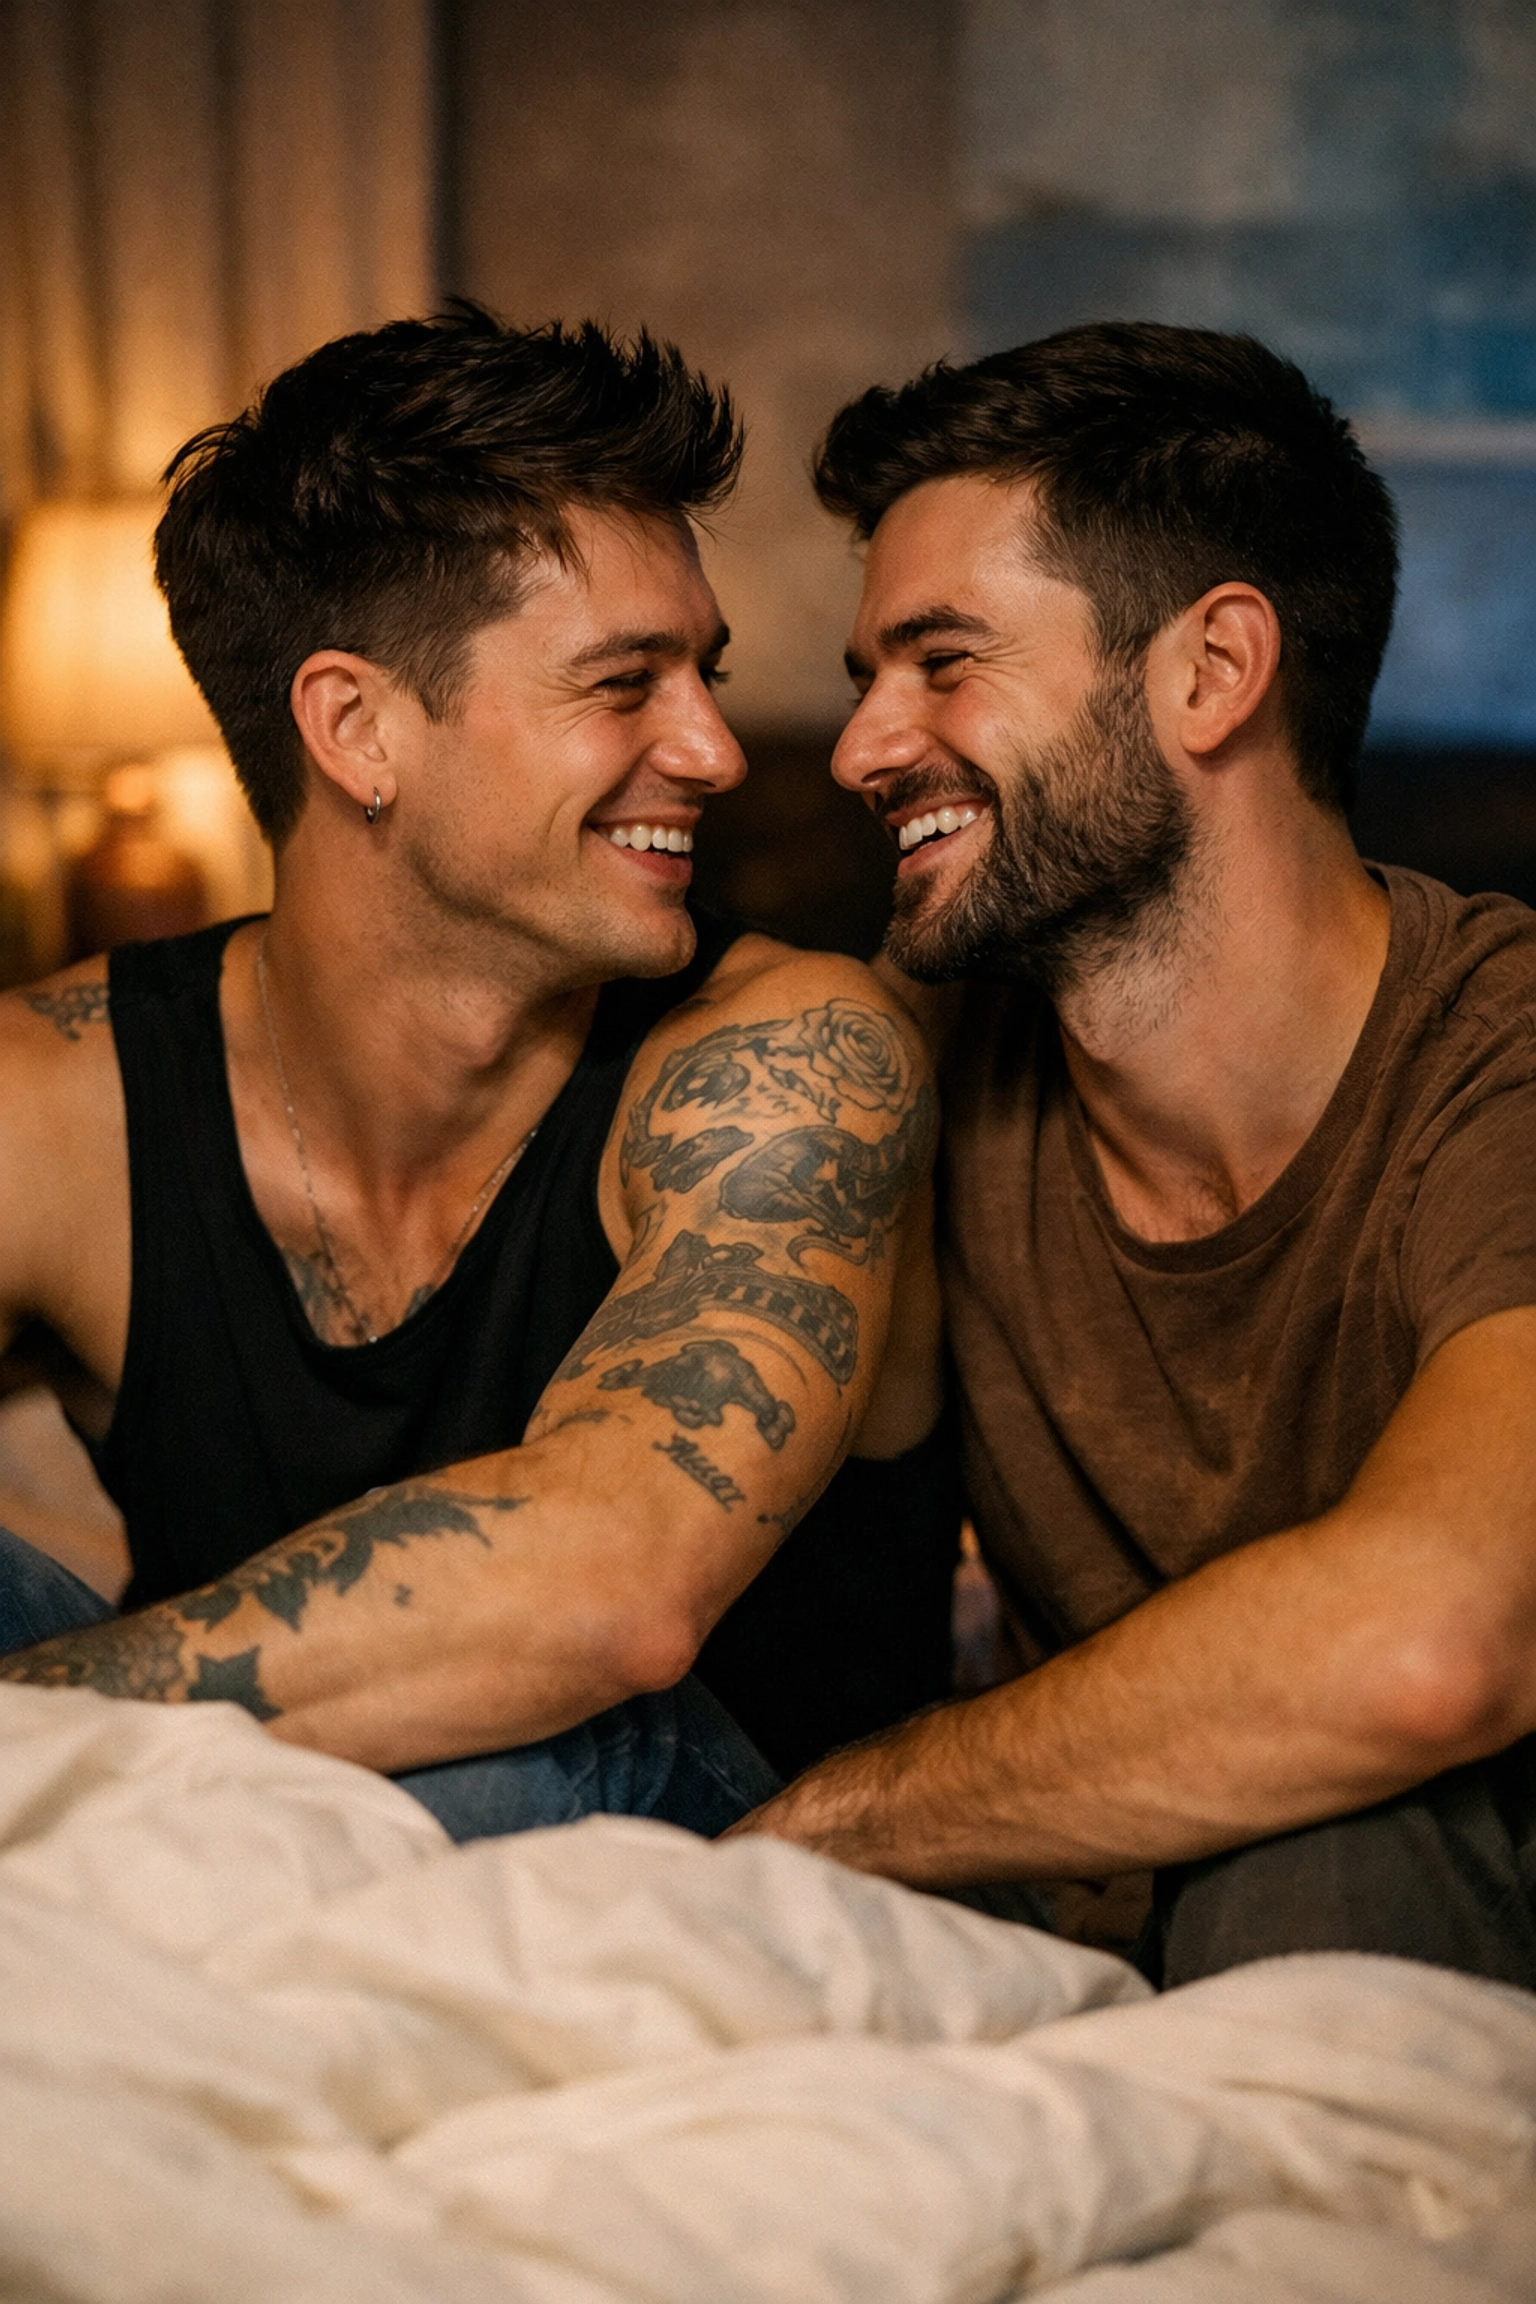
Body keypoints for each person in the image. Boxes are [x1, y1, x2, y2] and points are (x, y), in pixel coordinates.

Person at [0, 307, 958, 1836]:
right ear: (356, 727)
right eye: (625, 683)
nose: (716, 751)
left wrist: (34, 1729)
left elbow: (612, 1595)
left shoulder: (795, 1053)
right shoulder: (53, 1093)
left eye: (702, 674)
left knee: (517, 1726)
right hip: (235, 1837)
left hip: (709, 1844)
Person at [734, 322, 1536, 1990]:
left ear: (1211, 670)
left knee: (1325, 1834)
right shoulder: (922, 1061)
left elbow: (1436, 1646)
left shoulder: (1501, 1059)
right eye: (868, 674)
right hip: (1076, 1939)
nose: (866, 747)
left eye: (942, 663)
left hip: (1429, 1935)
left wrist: (826, 1826)